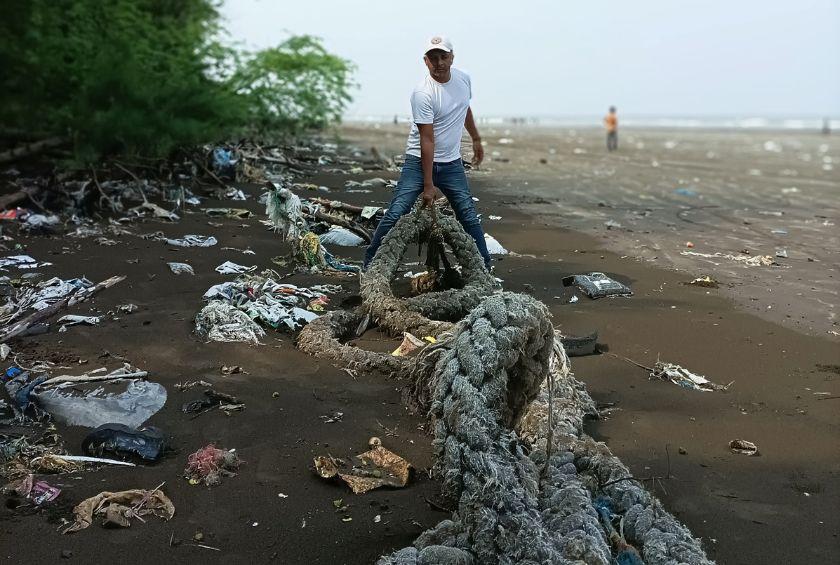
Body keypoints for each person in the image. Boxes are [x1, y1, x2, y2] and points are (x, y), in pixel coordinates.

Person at [362, 35, 491, 271]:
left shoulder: (463, 79)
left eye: (443, 56)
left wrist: (476, 139)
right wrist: (428, 185)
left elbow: (465, 107)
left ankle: (484, 267)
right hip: (419, 162)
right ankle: (370, 264)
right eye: (433, 58)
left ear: (452, 57)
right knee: (396, 213)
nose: (439, 63)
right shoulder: (423, 93)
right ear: (425, 61)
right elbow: (427, 139)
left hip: (452, 163)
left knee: (468, 216)